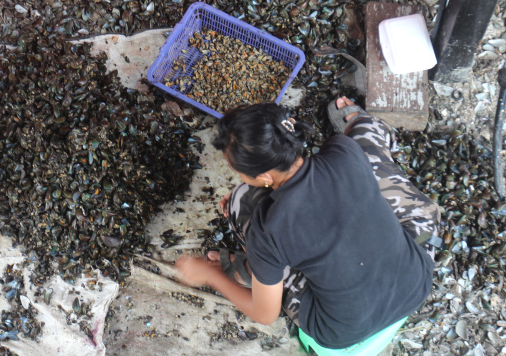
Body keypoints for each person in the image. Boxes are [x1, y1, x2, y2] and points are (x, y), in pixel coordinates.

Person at [174, 97, 441, 351]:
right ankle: (362, 122)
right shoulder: (342, 149)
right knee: (368, 153)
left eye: (239, 171)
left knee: (240, 202)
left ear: (265, 176)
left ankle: (255, 272)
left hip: (340, 329)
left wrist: (209, 275)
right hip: (415, 282)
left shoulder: (268, 229)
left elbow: (264, 315)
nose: (240, 176)